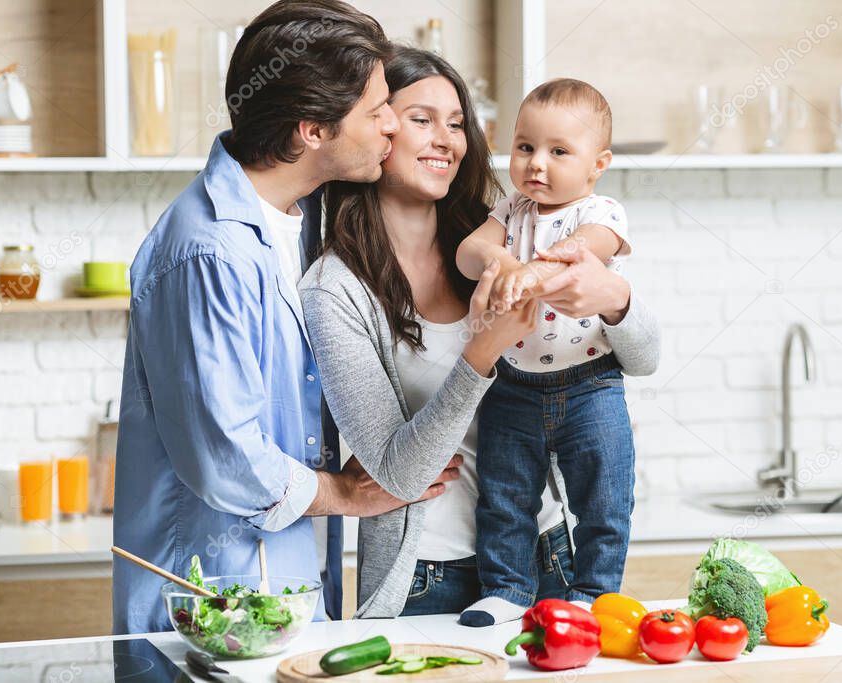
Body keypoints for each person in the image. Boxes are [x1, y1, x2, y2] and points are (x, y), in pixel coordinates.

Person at [112, 1, 461, 634]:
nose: (391, 127)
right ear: (313, 130)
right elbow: (227, 456)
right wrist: (345, 495)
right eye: (377, 110)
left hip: (293, 590)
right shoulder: (207, 252)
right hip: (209, 608)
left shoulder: (306, 221)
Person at [299, 48, 660, 620]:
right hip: (426, 575)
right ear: (379, 129)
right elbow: (398, 472)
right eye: (421, 119)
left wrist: (618, 300)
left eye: (457, 122)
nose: (446, 138)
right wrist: (483, 350)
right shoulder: (335, 288)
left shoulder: (508, 233)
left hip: (550, 555)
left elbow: (643, 361)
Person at [452, 78, 652, 626]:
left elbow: (582, 252)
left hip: (591, 383)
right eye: (525, 147)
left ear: (597, 163)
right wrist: (503, 262)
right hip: (513, 385)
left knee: (604, 497)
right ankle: (508, 588)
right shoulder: (510, 208)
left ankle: (595, 593)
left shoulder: (601, 214)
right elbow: (470, 252)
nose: (537, 163)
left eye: (559, 152)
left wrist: (534, 269)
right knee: (504, 495)